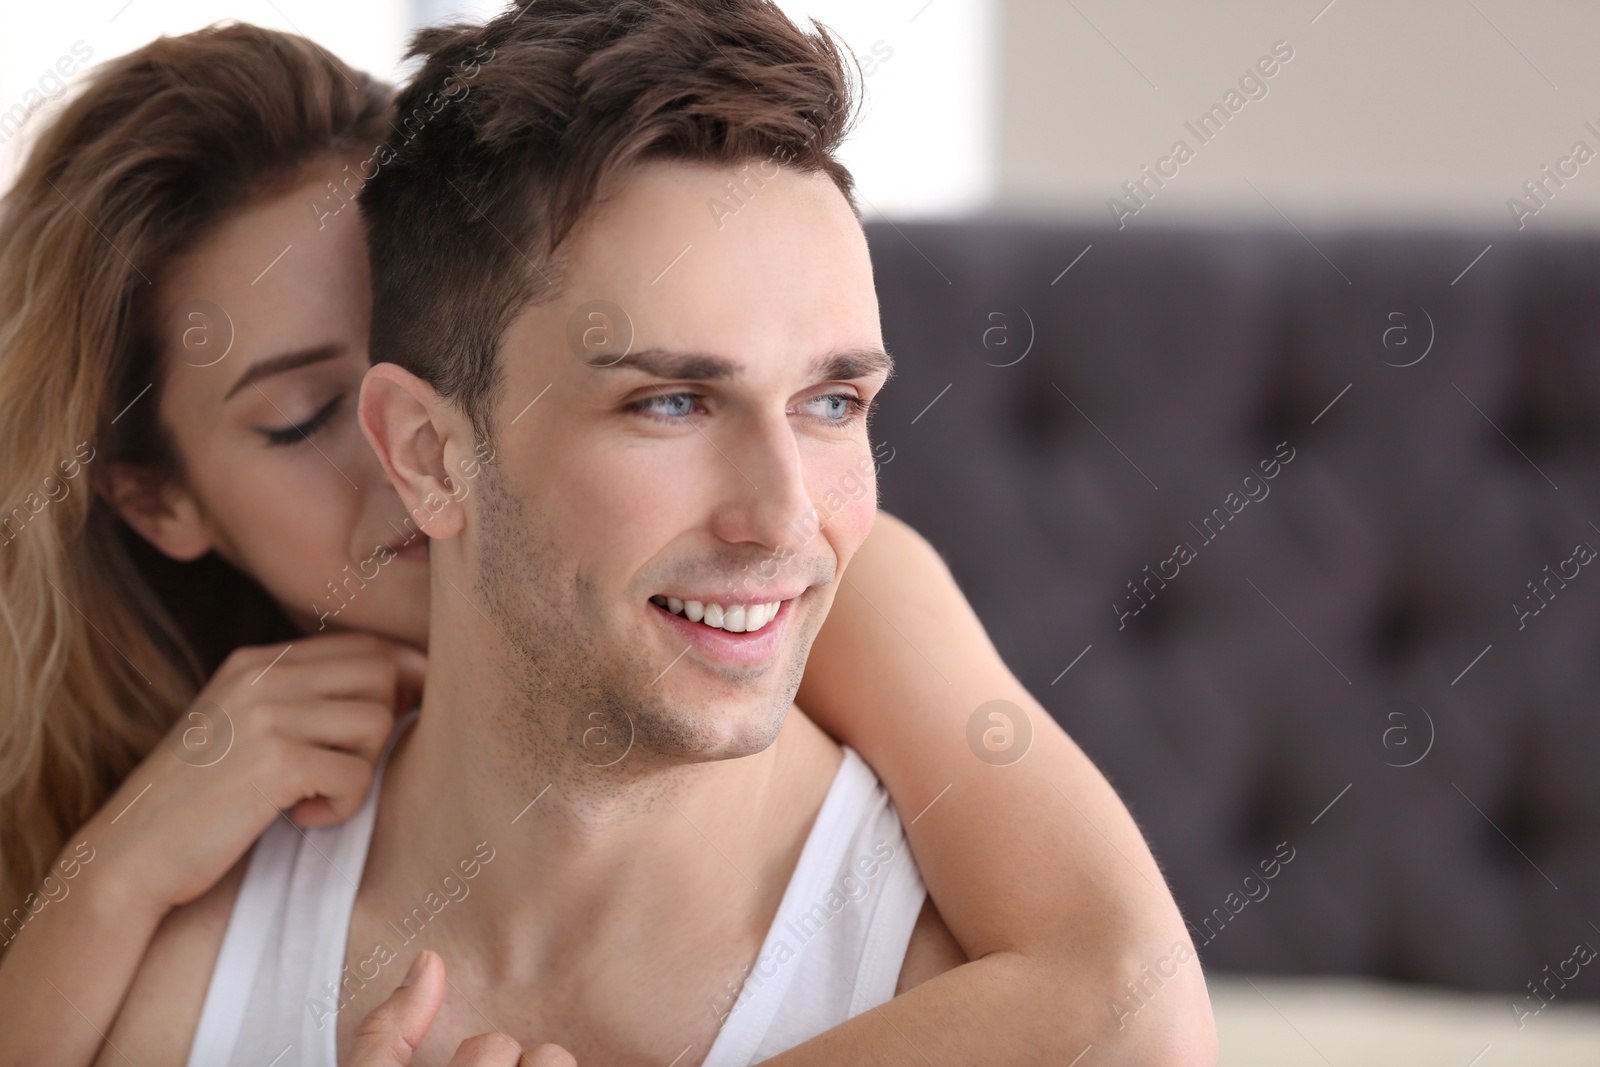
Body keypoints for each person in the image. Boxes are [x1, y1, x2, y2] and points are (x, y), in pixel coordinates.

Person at [0, 15, 1215, 1067]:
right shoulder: (191, 892)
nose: (780, 515)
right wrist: (112, 875)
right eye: (306, 416)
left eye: (833, 401)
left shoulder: (850, 592)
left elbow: (1125, 987)